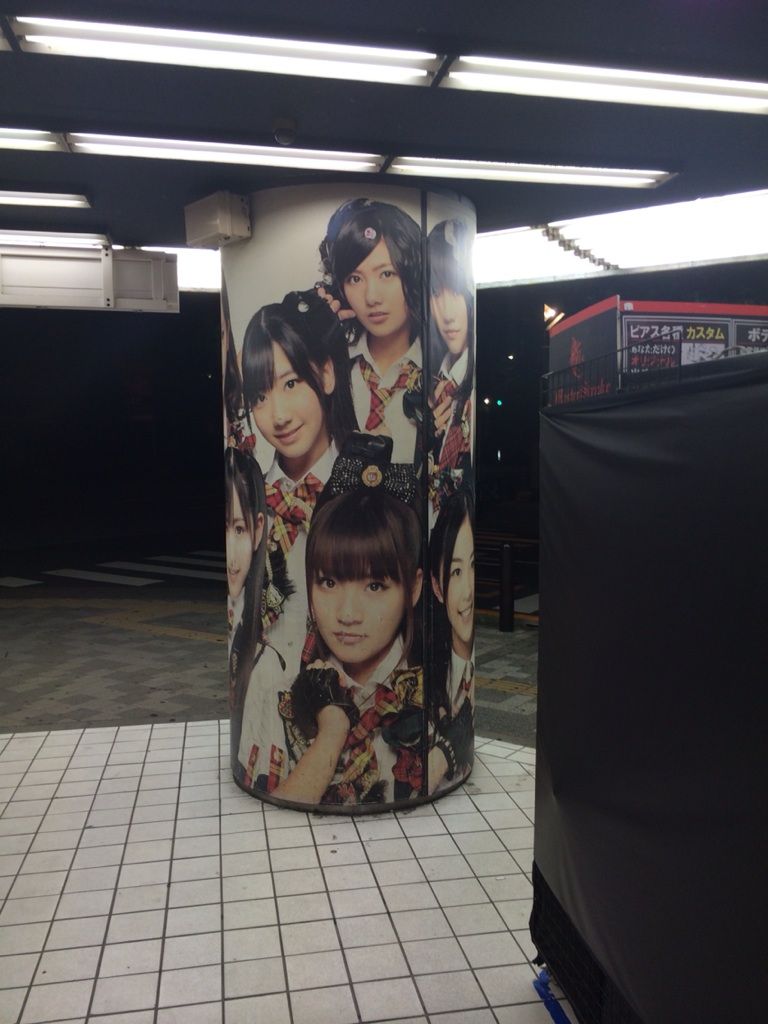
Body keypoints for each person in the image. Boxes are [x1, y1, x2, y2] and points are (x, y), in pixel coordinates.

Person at [272, 466, 425, 807]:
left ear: (414, 587)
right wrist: (332, 729)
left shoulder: (431, 693)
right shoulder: (282, 695)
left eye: (375, 586)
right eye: (329, 582)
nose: (348, 614)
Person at [240, 288, 357, 672]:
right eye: (260, 397)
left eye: (290, 384)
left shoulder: (367, 490)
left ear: (326, 374)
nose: (279, 416)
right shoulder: (250, 505)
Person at [318, 198, 423, 465]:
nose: (371, 297)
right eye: (355, 279)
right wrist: (309, 331)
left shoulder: (439, 372)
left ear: (411, 274)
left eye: (386, 274)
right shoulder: (330, 367)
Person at [225, 447, 288, 789]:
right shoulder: (239, 632)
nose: (231, 555)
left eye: (239, 528)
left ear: (259, 526)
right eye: (225, 527)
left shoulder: (266, 667)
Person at [426, 488, 476, 792]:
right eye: (455, 571)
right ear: (437, 586)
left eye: (473, 565)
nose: (468, 591)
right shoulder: (427, 679)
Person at [427, 219, 474, 516]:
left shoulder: (470, 385)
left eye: (455, 292)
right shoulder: (434, 381)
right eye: (436, 294)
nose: (446, 314)